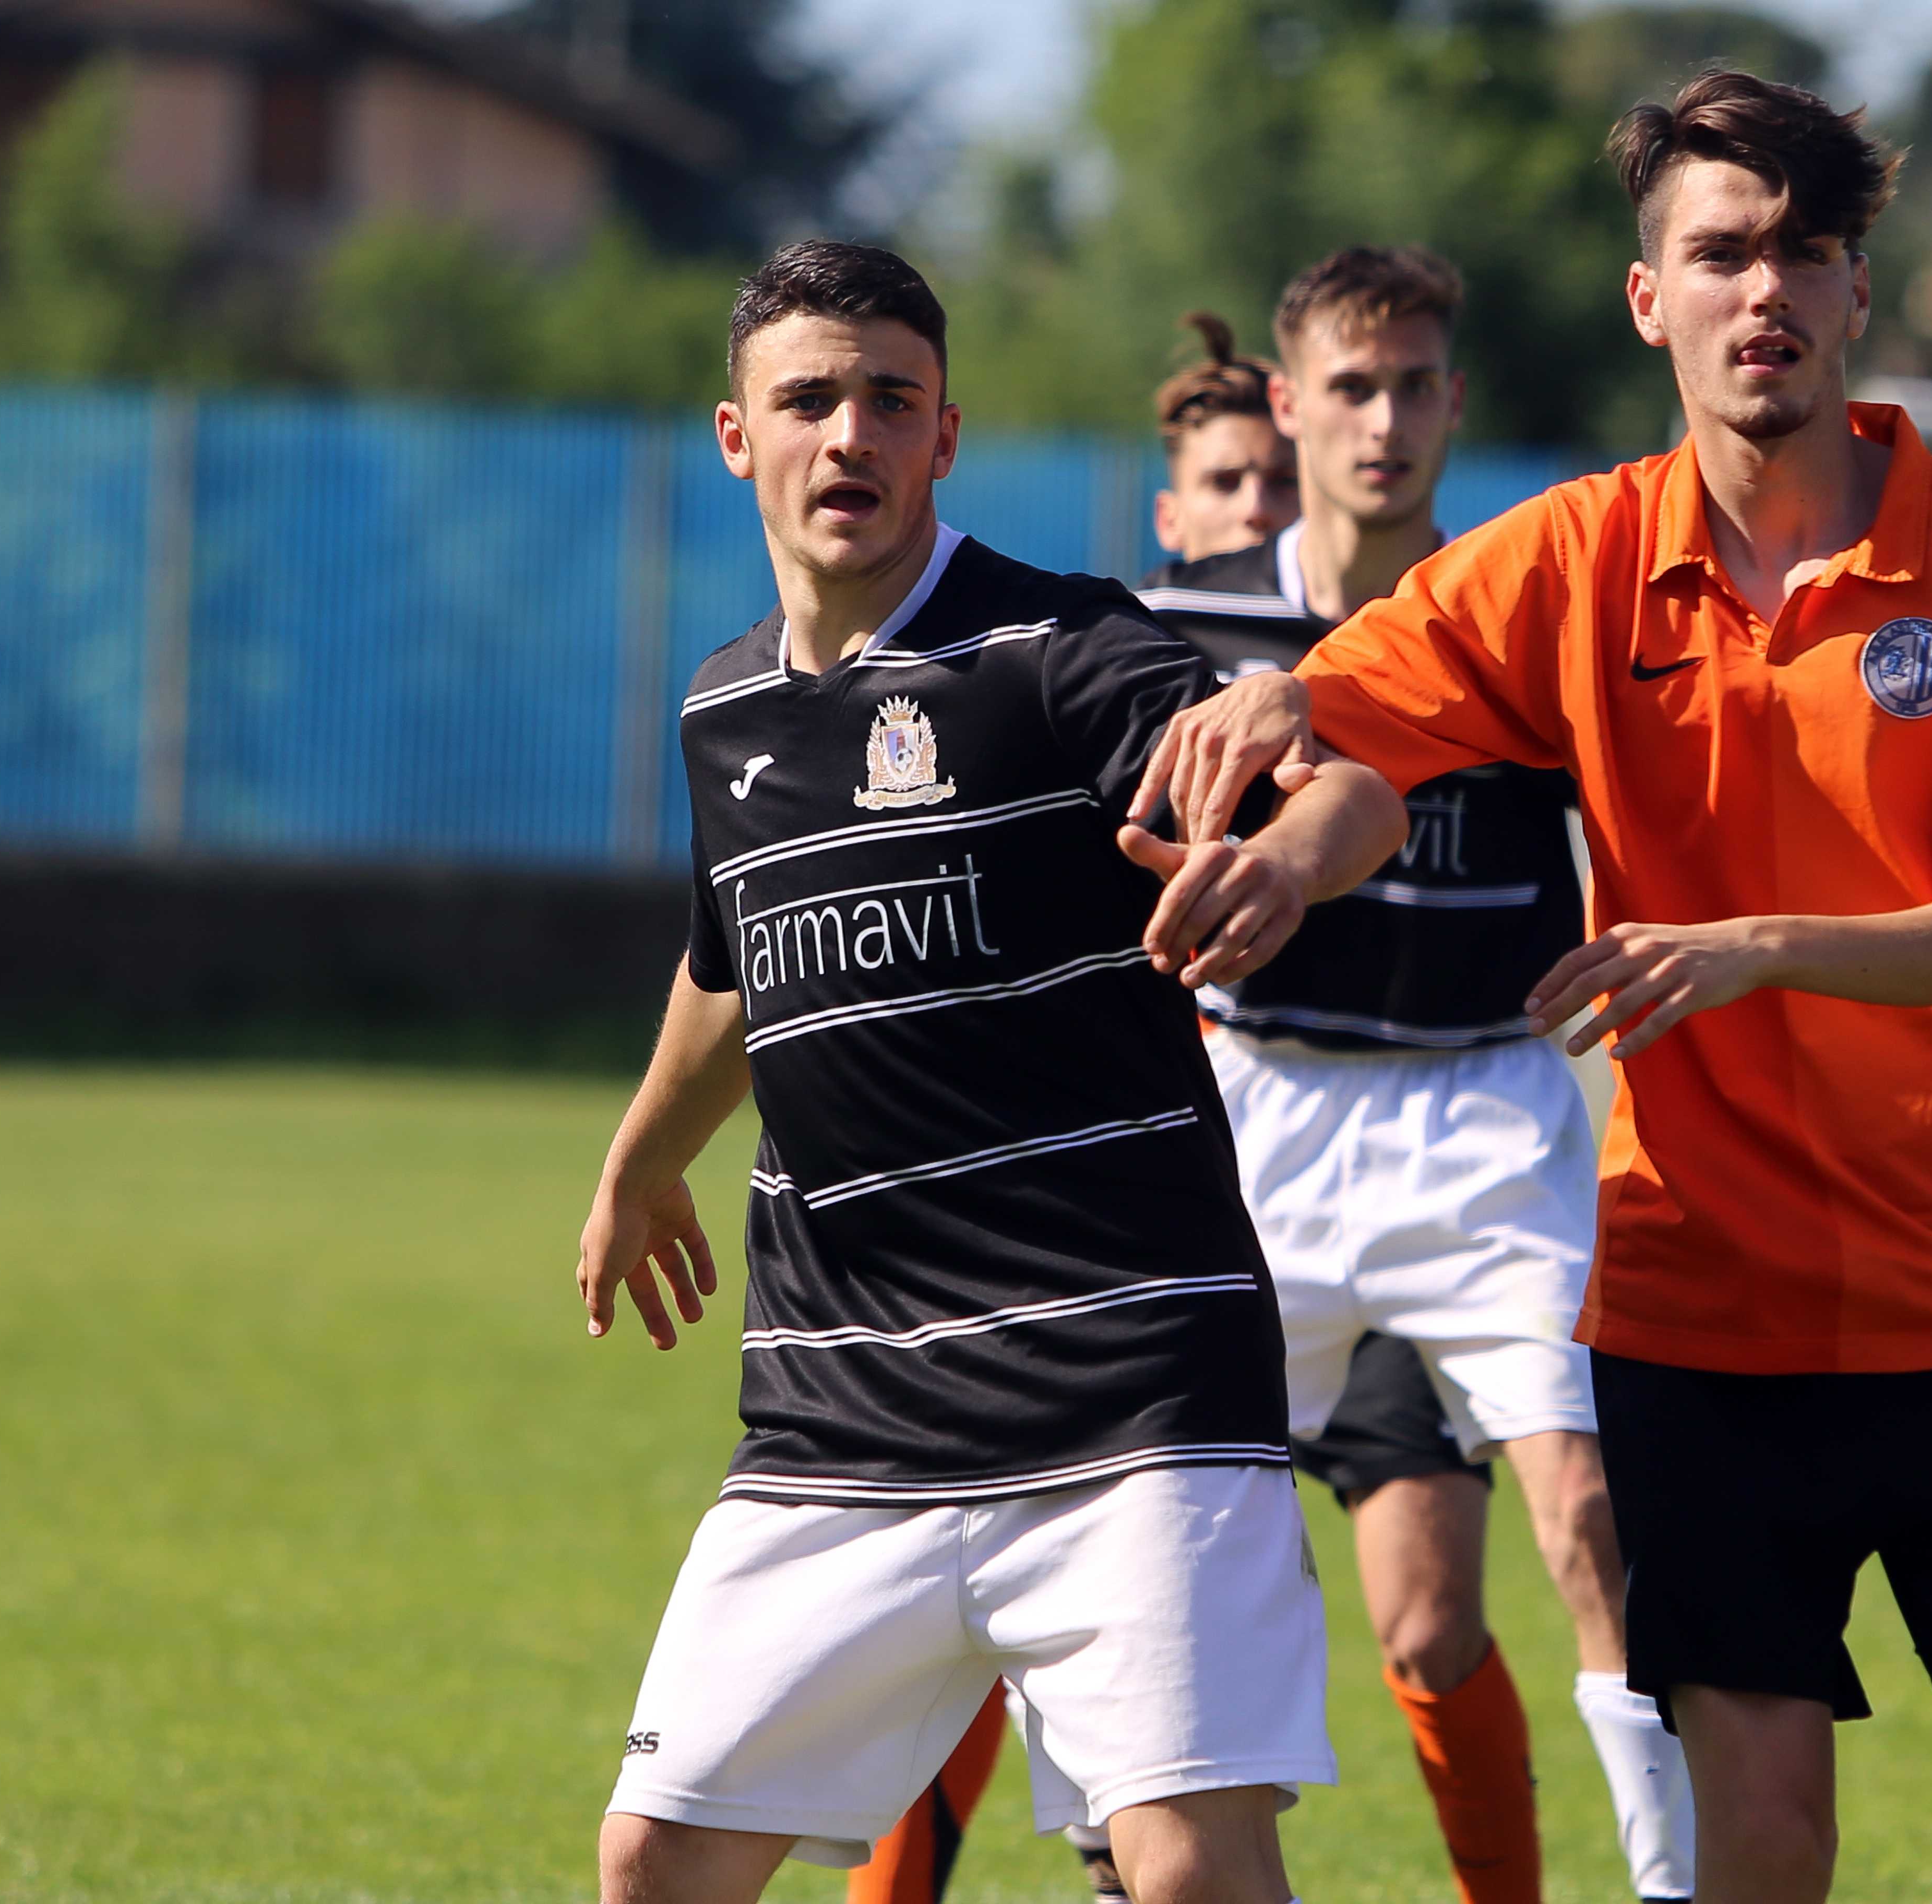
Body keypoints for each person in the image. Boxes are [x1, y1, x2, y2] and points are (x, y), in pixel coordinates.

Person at [1138, 72, 1932, 1904]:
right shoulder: (1579, 552)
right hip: (1704, 1309)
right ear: (1653, 300)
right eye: (1718, 252)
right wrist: (1277, 821)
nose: (1761, 289)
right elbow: (1374, 729)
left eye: (1803, 250)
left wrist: (1746, 948)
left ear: (1860, 291)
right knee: (1760, 1834)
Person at [577, 238, 1408, 1904]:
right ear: (736, 437)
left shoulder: (1060, 649)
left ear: (944, 438)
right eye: (808, 400)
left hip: (1129, 1393)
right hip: (841, 1414)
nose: (850, 436)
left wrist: (1285, 859)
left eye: (892, 400)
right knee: (656, 1861)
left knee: (1187, 1872)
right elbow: (733, 960)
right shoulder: (725, 712)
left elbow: (1349, 789)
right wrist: (639, 1157)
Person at [1140, 245, 1698, 1904]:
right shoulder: (1187, 626)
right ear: (1290, 403)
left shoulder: (1530, 619)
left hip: (1490, 1110)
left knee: (1585, 1507)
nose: (1384, 422)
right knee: (1162, 1526)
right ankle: (1146, 1860)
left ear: (1455, 401)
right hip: (1264, 1114)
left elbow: (1652, 836)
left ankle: (1670, 1887)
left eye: (1415, 387)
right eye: (1352, 388)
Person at [842, 307, 1307, 1904]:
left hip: (1208, 1212)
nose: (1256, 511)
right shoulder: (1023, 670)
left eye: (1274, 482)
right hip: (1053, 1212)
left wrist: (1287, 837)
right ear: (1176, 515)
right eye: (1224, 485)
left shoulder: (1326, 669)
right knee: (965, 1625)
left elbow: (1304, 806)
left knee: (1202, 1754)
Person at [1152, 312, 1302, 564]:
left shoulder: (1376, 604)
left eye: (1285, 481)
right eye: (1224, 483)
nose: (1256, 510)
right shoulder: (1136, 604)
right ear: (1169, 520)